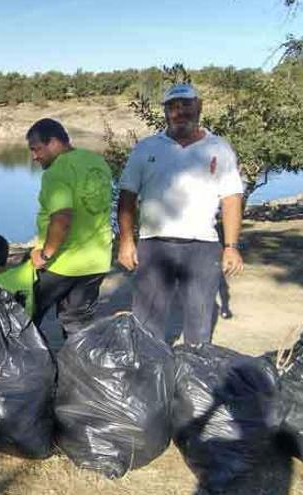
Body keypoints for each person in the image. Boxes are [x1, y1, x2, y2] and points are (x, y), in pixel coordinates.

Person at [117, 83, 245, 344]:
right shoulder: (147, 148)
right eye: (173, 107)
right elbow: (127, 195)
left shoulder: (219, 148)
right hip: (154, 246)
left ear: (198, 107)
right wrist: (126, 241)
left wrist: (231, 246)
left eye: (186, 105)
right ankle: (148, 374)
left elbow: (231, 199)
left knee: (199, 323)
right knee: (146, 322)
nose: (180, 112)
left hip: (202, 248)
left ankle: (194, 374)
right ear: (165, 112)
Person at [27, 118, 114, 343]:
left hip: (63, 264)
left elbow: (62, 218)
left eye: (37, 149)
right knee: (78, 326)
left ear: (54, 142)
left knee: (24, 316)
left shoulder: (57, 171)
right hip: (97, 261)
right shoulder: (97, 162)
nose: (34, 157)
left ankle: (24, 372)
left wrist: (45, 255)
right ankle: (77, 372)